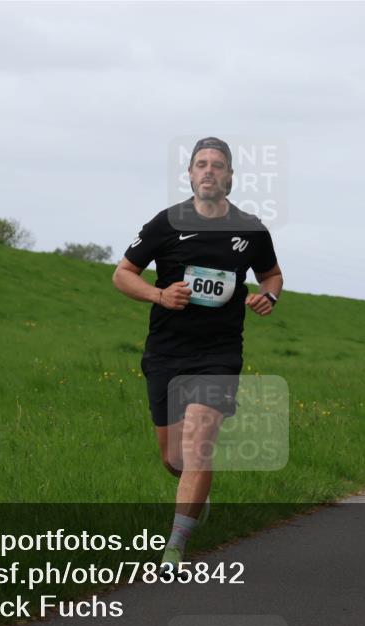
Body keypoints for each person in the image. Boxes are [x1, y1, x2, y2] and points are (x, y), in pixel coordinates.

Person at [112, 137, 282, 569]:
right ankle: (196, 497)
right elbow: (122, 275)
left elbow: (272, 275)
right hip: (167, 350)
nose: (209, 171)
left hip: (219, 353)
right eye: (201, 164)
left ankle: (175, 547)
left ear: (230, 177)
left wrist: (269, 297)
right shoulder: (165, 224)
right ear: (189, 175)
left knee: (200, 441)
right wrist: (158, 294)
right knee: (175, 459)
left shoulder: (250, 229)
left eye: (218, 165)